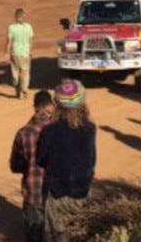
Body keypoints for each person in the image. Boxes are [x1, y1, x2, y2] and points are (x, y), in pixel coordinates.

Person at [37, 81, 96, 242]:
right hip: (82, 191)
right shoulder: (90, 128)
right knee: (80, 232)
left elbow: (41, 160)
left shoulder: (49, 131)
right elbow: (91, 160)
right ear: (83, 103)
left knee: (57, 234)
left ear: (57, 105)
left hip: (57, 192)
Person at [10, 90, 56, 242]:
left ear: (34, 107)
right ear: (51, 106)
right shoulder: (60, 130)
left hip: (33, 192)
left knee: (33, 235)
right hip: (57, 194)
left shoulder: (23, 133)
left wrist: (28, 164)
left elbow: (15, 166)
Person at [5, 8, 34, 99]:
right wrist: (30, 52)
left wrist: (6, 52)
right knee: (25, 72)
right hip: (25, 53)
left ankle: (19, 92)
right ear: (23, 16)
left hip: (15, 53)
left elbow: (9, 42)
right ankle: (24, 88)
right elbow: (30, 41)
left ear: (15, 16)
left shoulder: (12, 27)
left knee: (15, 72)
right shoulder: (29, 27)